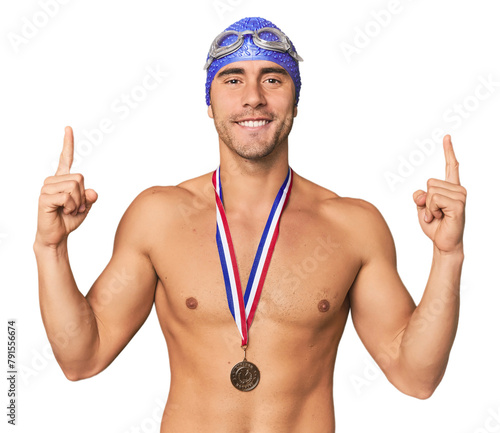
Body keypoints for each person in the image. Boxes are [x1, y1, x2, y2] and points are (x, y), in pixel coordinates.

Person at [33, 17, 466, 433]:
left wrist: (447, 255)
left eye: (273, 79)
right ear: (209, 101)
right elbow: (82, 358)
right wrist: (50, 248)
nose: (254, 97)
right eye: (233, 78)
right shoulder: (158, 216)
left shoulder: (352, 226)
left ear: (295, 101)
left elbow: (416, 377)